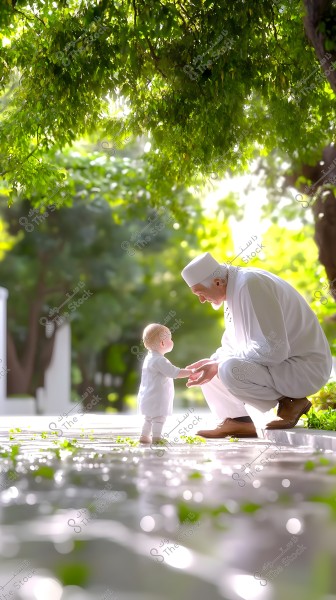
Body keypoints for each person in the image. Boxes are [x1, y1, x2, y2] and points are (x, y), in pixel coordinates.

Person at [181, 252, 333, 438]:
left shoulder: (250, 284)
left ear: (217, 282)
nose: (201, 300)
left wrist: (221, 364)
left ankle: (292, 401)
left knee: (229, 369)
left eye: (200, 293)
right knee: (209, 369)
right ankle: (239, 422)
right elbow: (230, 345)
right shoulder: (234, 290)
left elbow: (273, 350)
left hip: (302, 368)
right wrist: (214, 362)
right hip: (282, 366)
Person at [137, 323, 192, 443]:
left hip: (147, 395)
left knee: (148, 418)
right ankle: (156, 438)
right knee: (159, 419)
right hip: (157, 397)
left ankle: (144, 436)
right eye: (170, 339)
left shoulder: (149, 358)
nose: (172, 341)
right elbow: (174, 373)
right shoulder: (160, 360)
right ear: (162, 343)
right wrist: (190, 372)